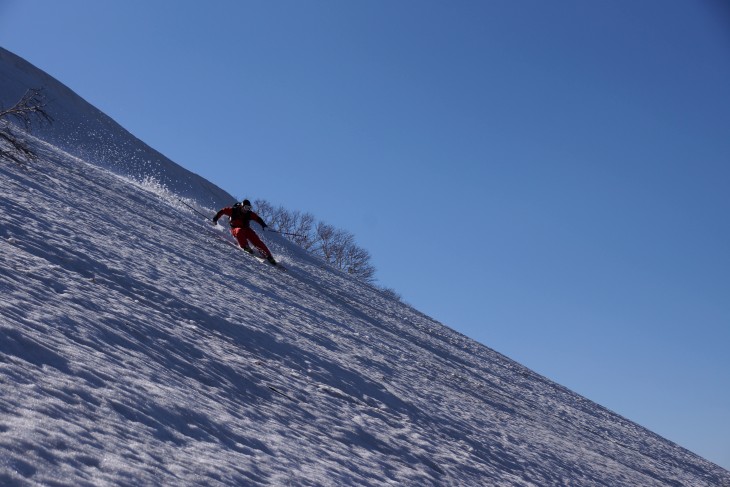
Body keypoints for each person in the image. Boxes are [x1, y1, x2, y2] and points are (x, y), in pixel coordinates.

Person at [213, 199, 277, 265]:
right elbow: (222, 211)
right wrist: (215, 219)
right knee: (239, 231)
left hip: (246, 229)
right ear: (241, 206)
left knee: (256, 240)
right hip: (235, 228)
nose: (246, 210)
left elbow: (258, 219)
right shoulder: (233, 210)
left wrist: (264, 225)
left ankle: (268, 255)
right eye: (246, 207)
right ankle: (245, 247)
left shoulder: (249, 214)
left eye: (248, 208)